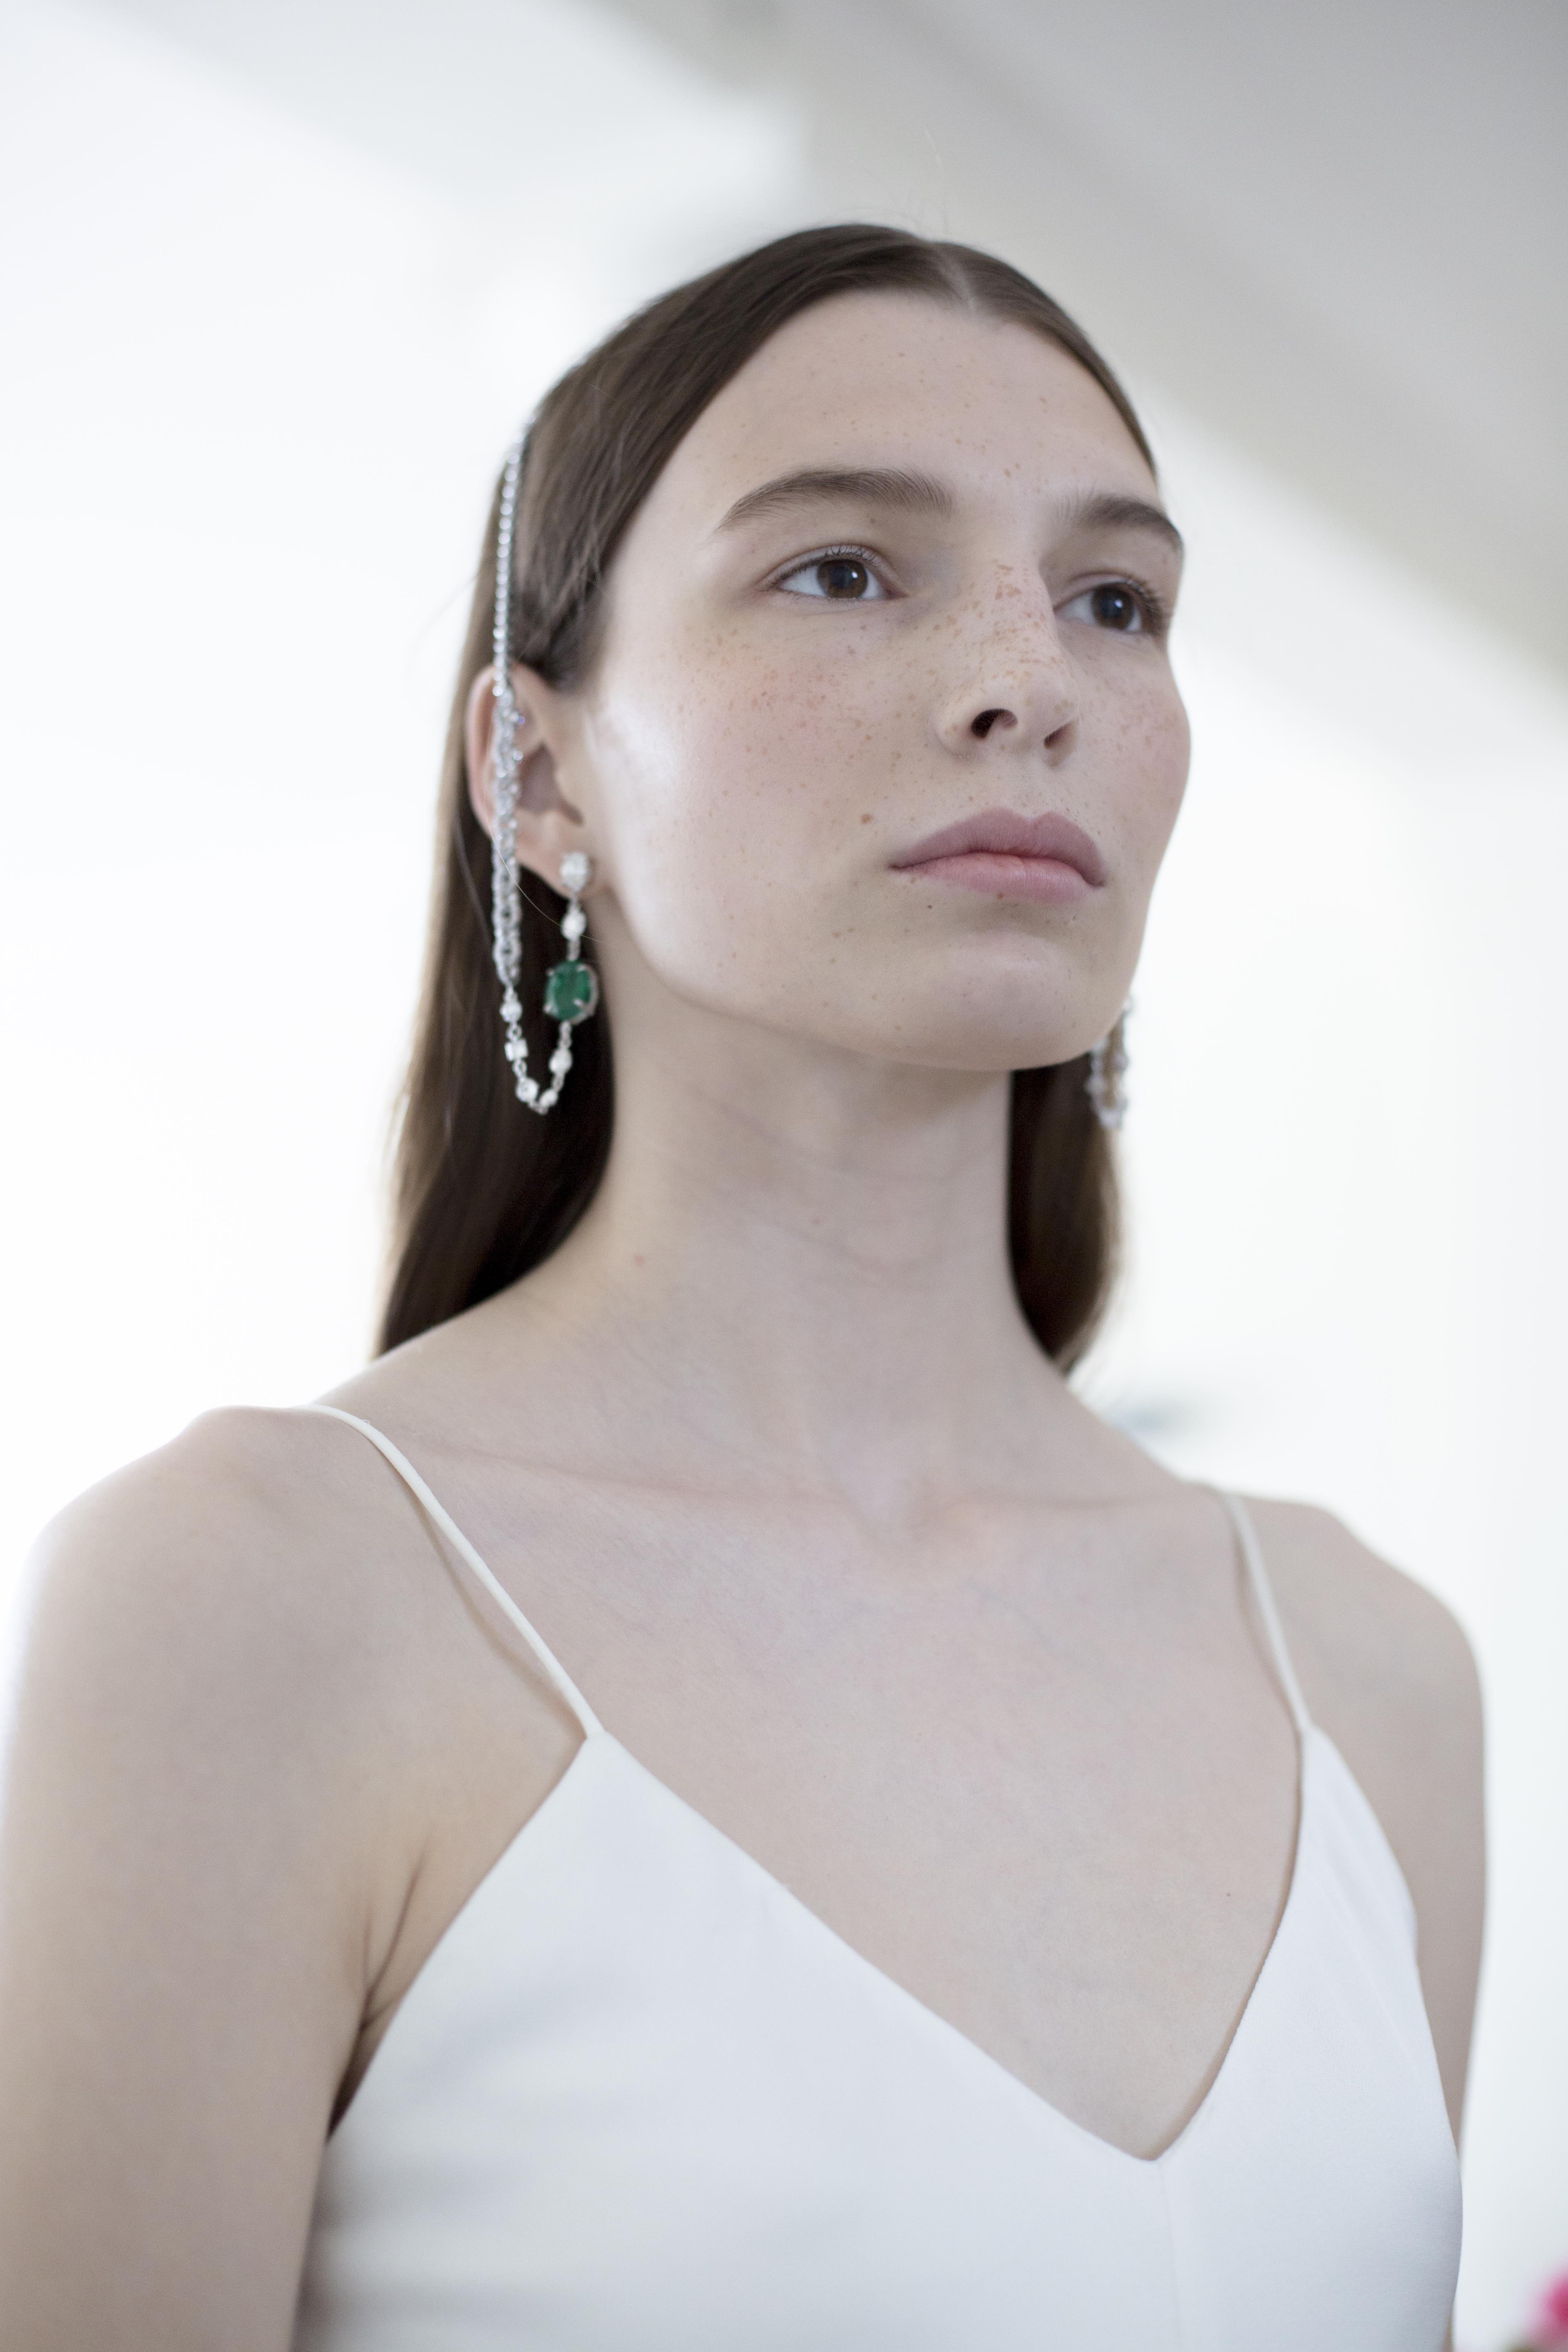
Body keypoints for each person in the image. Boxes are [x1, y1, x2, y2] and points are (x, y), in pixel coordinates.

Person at [0, 225, 1483, 2350]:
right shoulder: (253, 1602)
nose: (1032, 682)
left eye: (1117, 601)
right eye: (844, 569)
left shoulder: (1373, 1674)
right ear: (536, 775)